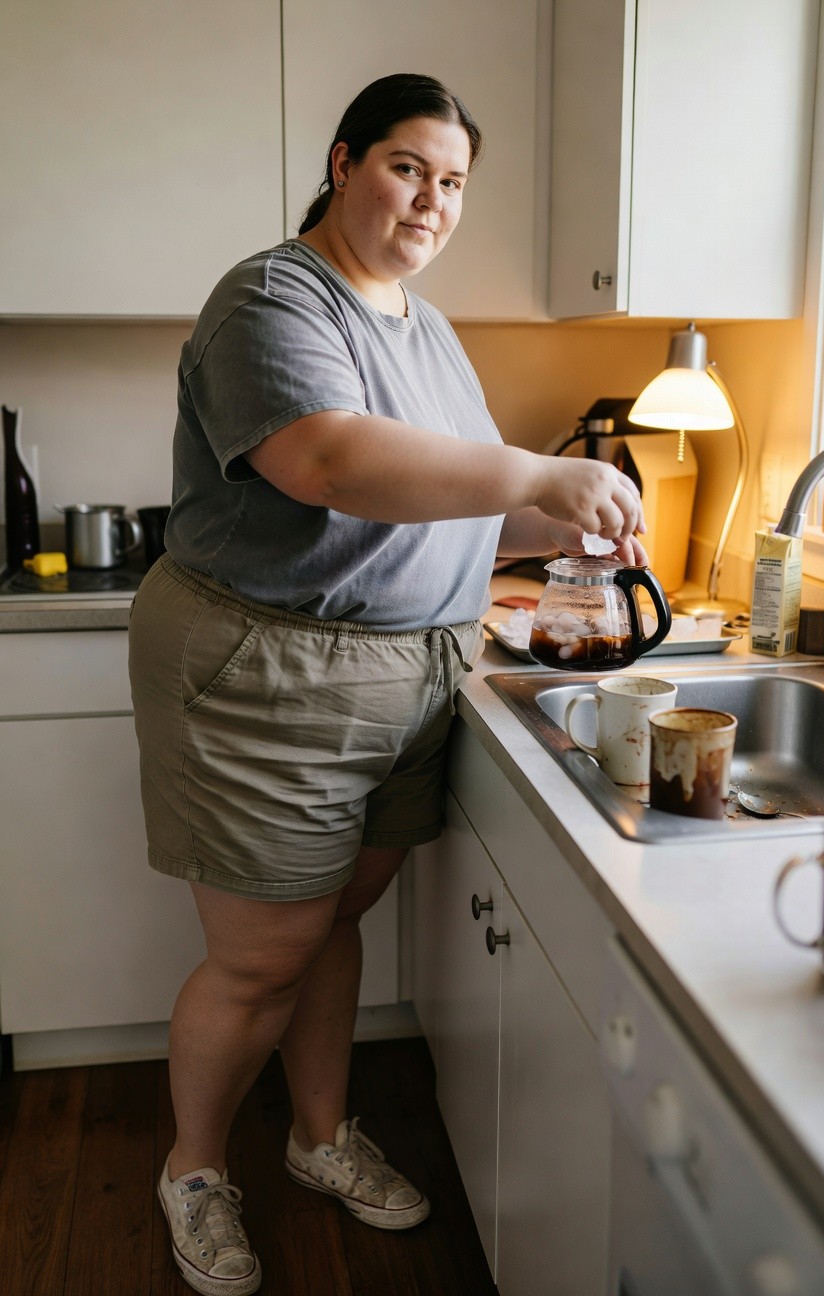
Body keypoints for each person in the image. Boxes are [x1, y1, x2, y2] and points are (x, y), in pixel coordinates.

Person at [128, 72, 647, 1296]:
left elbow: (445, 509)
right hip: (270, 669)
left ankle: (318, 1138)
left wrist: (562, 531)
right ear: (345, 161)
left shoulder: (422, 321)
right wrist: (540, 469)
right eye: (408, 167)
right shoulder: (272, 295)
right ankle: (193, 1170)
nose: (430, 199)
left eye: (454, 181)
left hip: (403, 670)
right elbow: (329, 462)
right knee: (261, 956)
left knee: (332, 921)